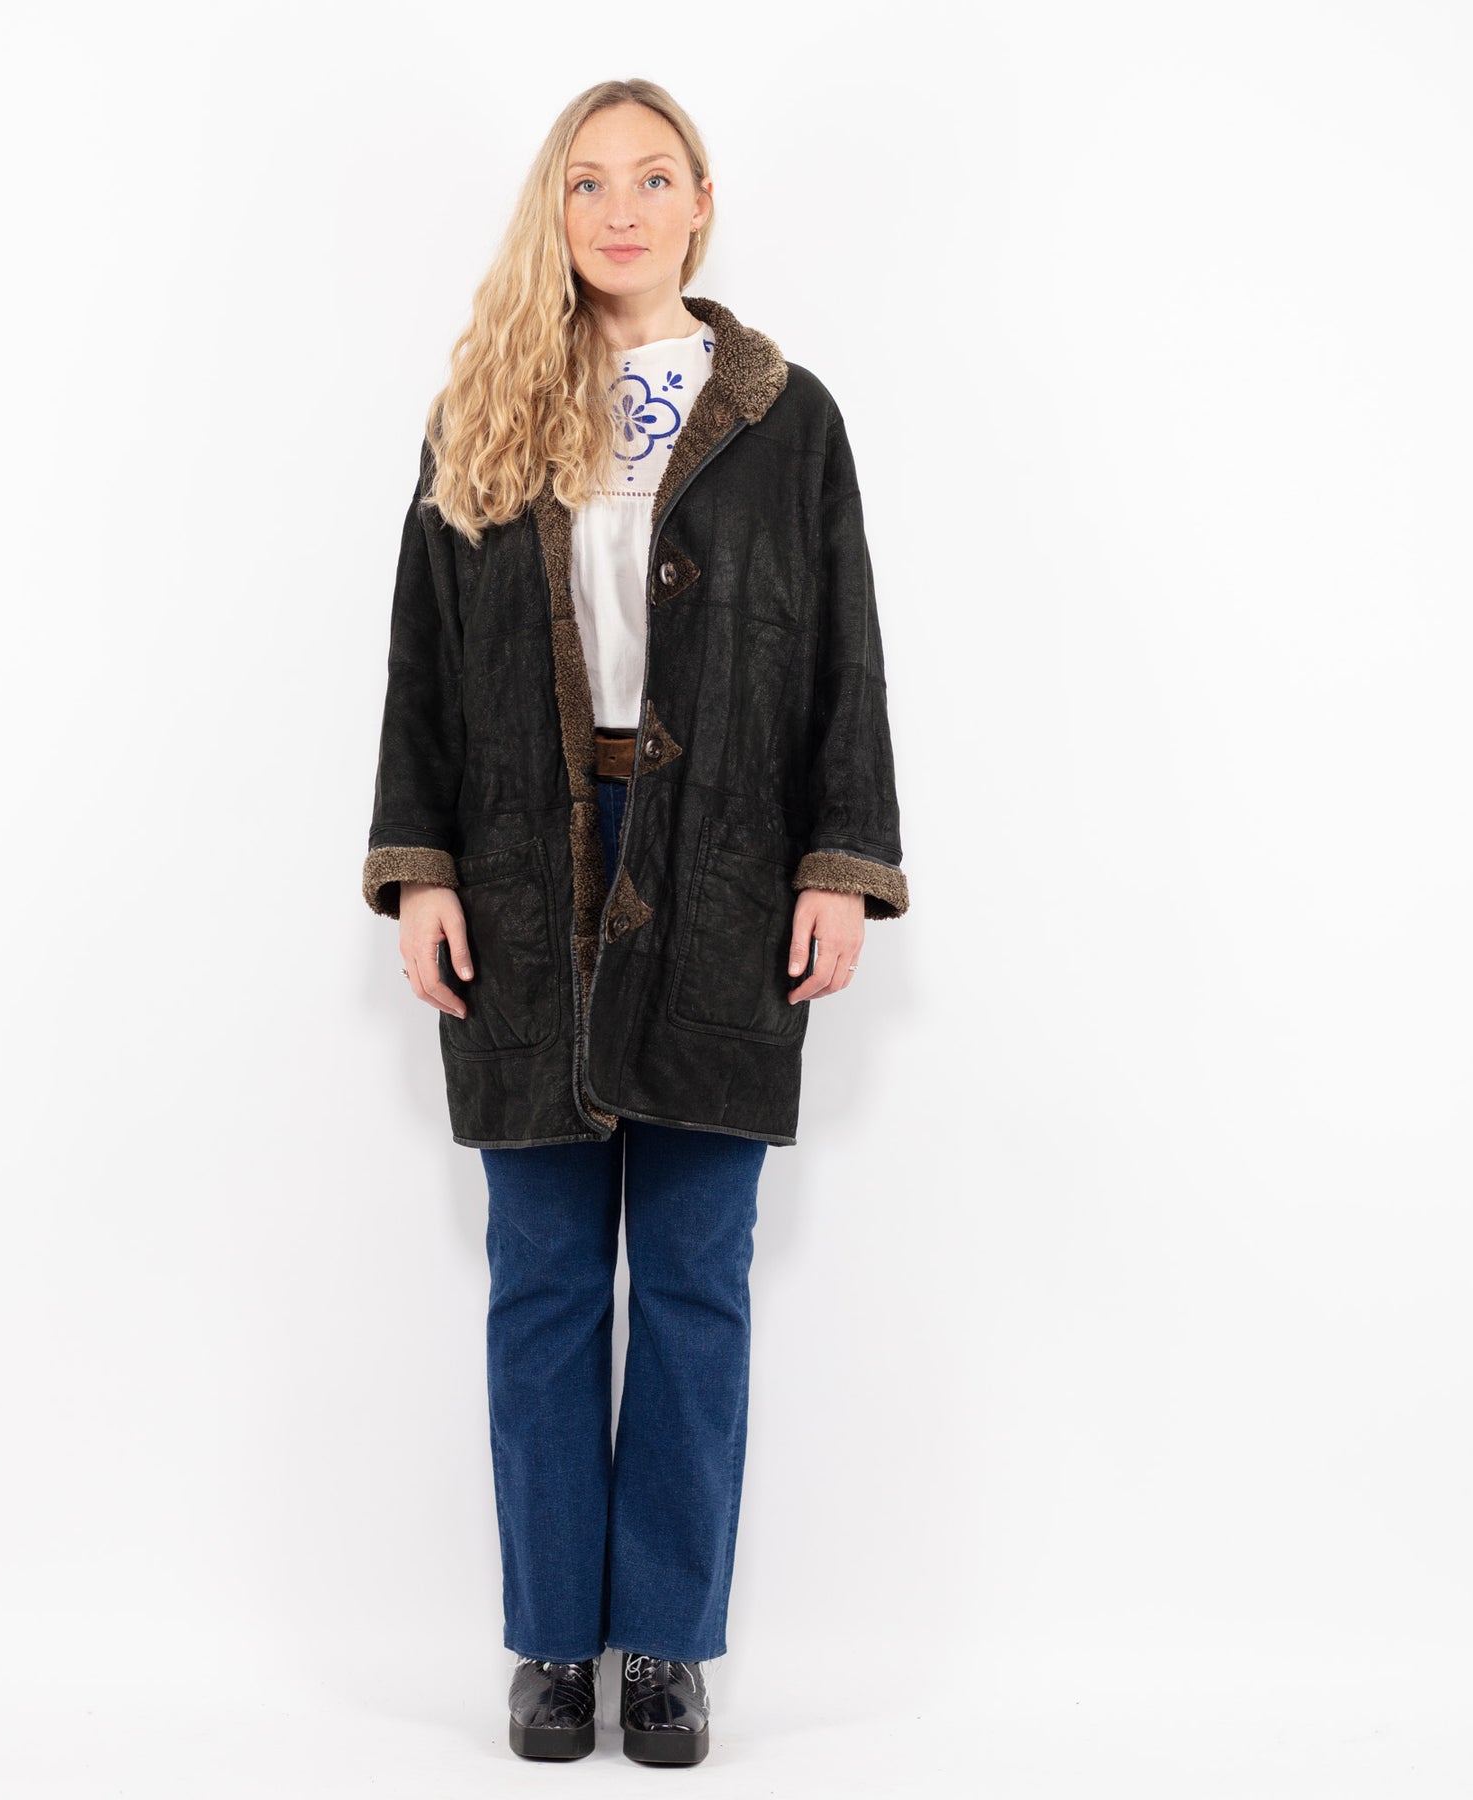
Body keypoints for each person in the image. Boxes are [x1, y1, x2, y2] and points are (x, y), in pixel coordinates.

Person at [359, 78, 907, 1766]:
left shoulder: (786, 422)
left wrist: (837, 865)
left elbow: (845, 656)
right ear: (558, 206)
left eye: (653, 179)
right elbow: (421, 664)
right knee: (540, 1277)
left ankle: (664, 1644)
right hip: (530, 863)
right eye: (589, 182)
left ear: (700, 204)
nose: (621, 210)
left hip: (722, 861)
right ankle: (550, 1642)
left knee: (691, 1275)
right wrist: (424, 867)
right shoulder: (485, 406)